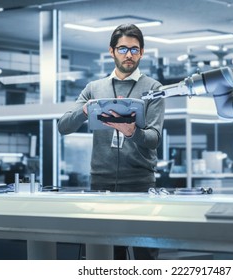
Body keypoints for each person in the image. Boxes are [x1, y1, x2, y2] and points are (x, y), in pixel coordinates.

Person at [58, 24, 165, 260]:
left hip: (140, 184)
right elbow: (63, 126)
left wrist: (131, 132)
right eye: (123, 49)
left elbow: (154, 139)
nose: (129, 55)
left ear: (142, 52)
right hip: (101, 184)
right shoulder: (94, 89)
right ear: (112, 51)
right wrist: (85, 111)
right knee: (102, 256)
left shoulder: (153, 88)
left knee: (145, 256)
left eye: (135, 50)